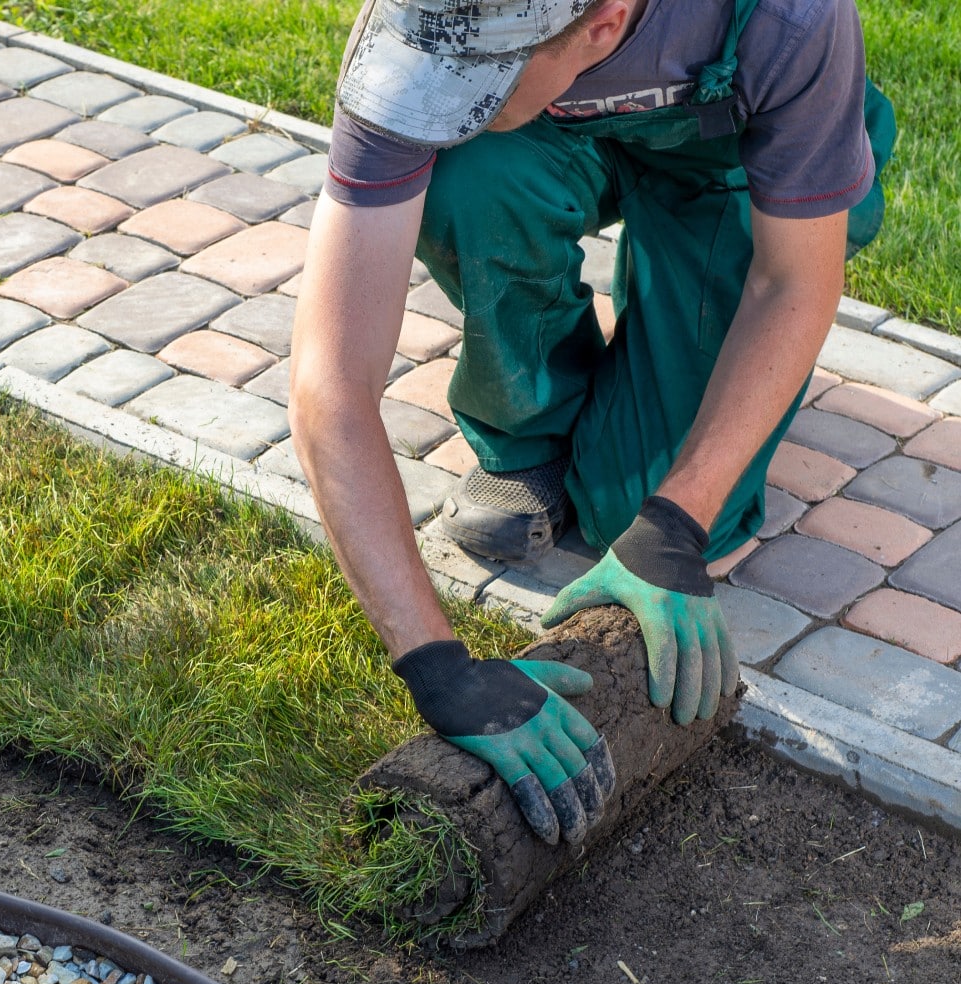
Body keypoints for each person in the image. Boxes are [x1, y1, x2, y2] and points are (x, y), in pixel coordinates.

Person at [289, 0, 893, 847]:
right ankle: (530, 435)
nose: (435, 95)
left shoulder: (790, 19)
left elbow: (793, 282)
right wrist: (433, 664)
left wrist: (676, 524)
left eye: (474, 79)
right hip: (547, 135)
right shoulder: (417, 34)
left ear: (606, 23)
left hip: (725, 162)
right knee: (465, 172)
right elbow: (331, 383)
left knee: (639, 512)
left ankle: (654, 382)